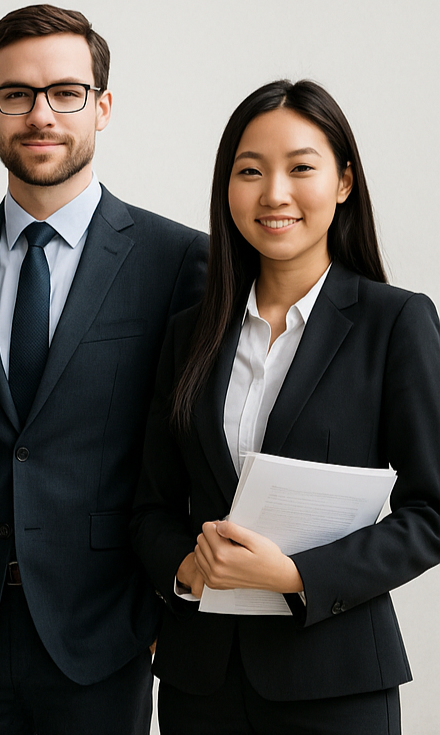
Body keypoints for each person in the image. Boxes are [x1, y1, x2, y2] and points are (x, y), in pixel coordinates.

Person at [0, 4, 207, 734]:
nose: (41, 114)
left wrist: (166, 606)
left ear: (102, 107)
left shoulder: (177, 262)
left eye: (66, 92)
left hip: (103, 631)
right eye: (17, 94)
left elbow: (186, 450)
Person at [130, 79, 440, 734]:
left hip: (337, 685)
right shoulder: (191, 332)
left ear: (344, 183)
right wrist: (184, 567)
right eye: (250, 171)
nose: (274, 193)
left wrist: (299, 574)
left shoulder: (396, 322)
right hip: (200, 685)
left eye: (301, 168)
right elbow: (151, 504)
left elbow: (432, 511)